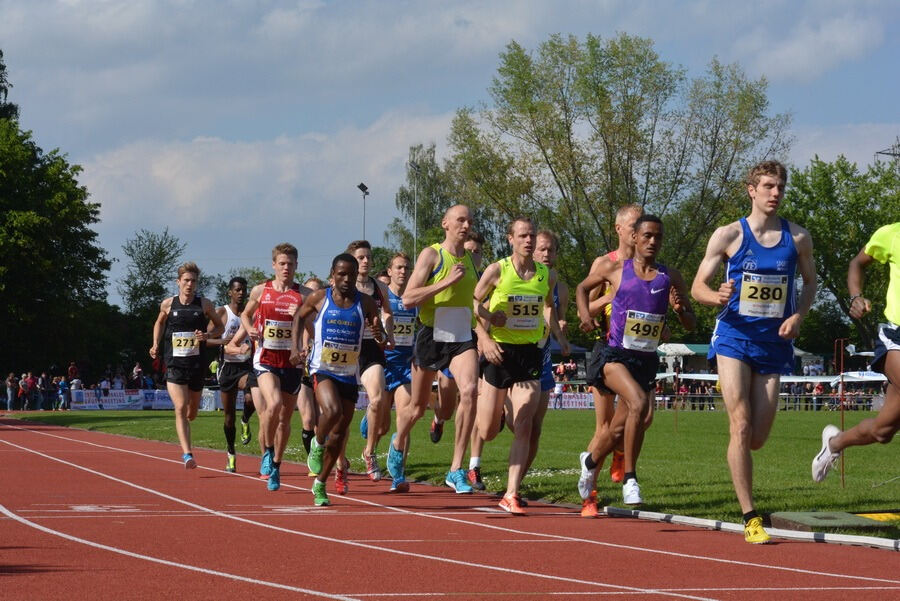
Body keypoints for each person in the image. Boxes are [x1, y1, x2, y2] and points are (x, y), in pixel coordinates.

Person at [691, 160, 815, 544]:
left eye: (780, 186)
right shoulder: (728, 235)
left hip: (774, 343)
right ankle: (750, 517)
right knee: (740, 423)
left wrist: (799, 315)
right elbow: (698, 286)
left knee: (757, 437)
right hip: (733, 337)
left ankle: (739, 457)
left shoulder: (797, 239)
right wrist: (716, 296)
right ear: (751, 189)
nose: (775, 193)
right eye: (767, 186)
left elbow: (810, 283)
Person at [577, 215, 695, 512]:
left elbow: (691, 324)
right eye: (647, 236)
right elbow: (581, 289)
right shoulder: (614, 269)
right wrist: (585, 316)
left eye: (658, 237)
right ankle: (631, 478)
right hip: (614, 356)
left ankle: (589, 461)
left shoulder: (670, 277)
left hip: (645, 360)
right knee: (639, 404)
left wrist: (680, 312)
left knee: (619, 429)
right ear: (635, 238)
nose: (652, 241)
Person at [473, 217, 568, 514]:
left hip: (529, 354)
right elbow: (471, 302)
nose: (528, 241)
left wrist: (558, 335)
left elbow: (549, 306)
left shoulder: (545, 274)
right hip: (499, 353)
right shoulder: (497, 270)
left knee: (525, 422)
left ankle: (511, 492)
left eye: (531, 236)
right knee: (487, 431)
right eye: (523, 236)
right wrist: (485, 333)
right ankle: (498, 411)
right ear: (511, 239)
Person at [389, 204, 480, 493]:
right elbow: (408, 299)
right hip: (431, 336)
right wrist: (445, 282)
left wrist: (490, 316)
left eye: (469, 221)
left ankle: (456, 469)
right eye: (460, 220)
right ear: (445, 223)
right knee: (416, 409)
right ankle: (397, 441)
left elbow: (474, 300)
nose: (465, 225)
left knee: (469, 391)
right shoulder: (432, 255)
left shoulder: (472, 260)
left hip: (462, 337)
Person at [293, 253, 386, 506]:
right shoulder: (320, 297)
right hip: (322, 368)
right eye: (341, 274)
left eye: (351, 275)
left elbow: (381, 335)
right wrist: (294, 348)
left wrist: (379, 333)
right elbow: (299, 317)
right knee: (331, 411)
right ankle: (317, 442)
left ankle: (320, 483)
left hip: (348, 372)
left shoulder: (365, 302)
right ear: (332, 275)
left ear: (357, 276)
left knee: (340, 432)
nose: (346, 279)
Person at [813, 222, 900, 481]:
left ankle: (834, 443)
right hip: (897, 336)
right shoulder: (892, 234)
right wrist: (855, 296)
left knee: (883, 432)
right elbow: (857, 263)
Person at [575, 204, 643, 516]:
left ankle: (619, 451)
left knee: (643, 415)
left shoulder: (648, 265)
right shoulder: (605, 264)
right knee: (603, 426)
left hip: (637, 349)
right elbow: (584, 308)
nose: (637, 229)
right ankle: (590, 492)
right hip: (606, 348)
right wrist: (611, 297)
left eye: (641, 224)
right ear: (619, 229)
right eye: (633, 225)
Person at [240, 243, 312, 490]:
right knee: (273, 405)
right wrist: (248, 327)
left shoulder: (303, 295)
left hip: (291, 362)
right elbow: (245, 314)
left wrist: (301, 316)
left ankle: (278, 465)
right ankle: (268, 452)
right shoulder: (261, 290)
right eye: (281, 263)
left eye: (290, 264)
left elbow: (311, 328)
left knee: (284, 419)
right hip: (266, 358)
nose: (286, 268)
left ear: (296, 266)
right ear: (274, 265)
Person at [149, 261, 224, 468]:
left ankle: (189, 426)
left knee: (192, 412)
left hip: (197, 365)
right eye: (186, 280)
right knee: (180, 407)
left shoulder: (204, 304)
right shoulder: (168, 304)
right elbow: (159, 322)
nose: (190, 284)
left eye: (193, 281)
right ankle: (187, 454)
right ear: (178, 282)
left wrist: (207, 334)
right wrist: (155, 343)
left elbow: (220, 326)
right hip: (174, 363)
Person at [348, 240, 395, 485]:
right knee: (339, 411)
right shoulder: (341, 286)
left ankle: (370, 452)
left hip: (370, 348)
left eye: (368, 257)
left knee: (377, 399)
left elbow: (387, 312)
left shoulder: (379, 287)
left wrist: (388, 334)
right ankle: (335, 458)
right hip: (344, 347)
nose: (365, 261)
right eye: (360, 257)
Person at [432, 231, 485, 446]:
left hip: (473, 346)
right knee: (447, 408)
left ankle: (463, 459)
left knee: (470, 393)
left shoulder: (487, 280)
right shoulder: (451, 272)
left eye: (477, 252)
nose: (473, 256)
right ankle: (439, 418)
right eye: (470, 251)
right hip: (447, 341)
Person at [206, 276, 253, 473]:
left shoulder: (250, 313)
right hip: (227, 368)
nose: (241, 293)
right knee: (228, 417)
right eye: (237, 290)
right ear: (230, 292)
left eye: (243, 289)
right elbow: (207, 339)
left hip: (246, 366)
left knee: (252, 398)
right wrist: (225, 342)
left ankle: (246, 420)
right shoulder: (222, 313)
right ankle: (231, 453)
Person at [381, 252, 417, 491]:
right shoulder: (383, 297)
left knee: (405, 418)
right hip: (383, 364)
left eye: (407, 268)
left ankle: (398, 473)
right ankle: (371, 418)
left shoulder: (415, 299)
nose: (403, 272)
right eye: (399, 268)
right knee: (381, 425)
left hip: (405, 364)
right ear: (390, 271)